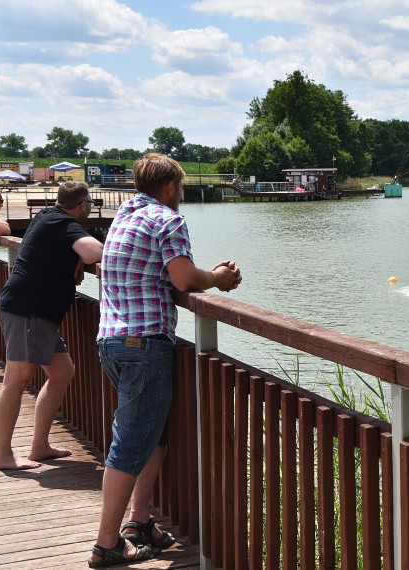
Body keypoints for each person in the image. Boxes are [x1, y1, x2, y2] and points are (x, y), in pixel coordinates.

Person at [89, 153, 242, 568]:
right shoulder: (167, 218)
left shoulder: (124, 215)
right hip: (144, 344)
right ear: (172, 187)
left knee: (150, 436)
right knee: (128, 445)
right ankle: (107, 543)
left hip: (111, 340)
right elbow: (184, 279)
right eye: (182, 188)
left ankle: (138, 522)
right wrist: (217, 278)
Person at [0, 181, 103, 470]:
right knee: (16, 378)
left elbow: (60, 251)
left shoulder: (45, 215)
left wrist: (72, 259)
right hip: (29, 310)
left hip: (34, 312)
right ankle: (0, 454)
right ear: (82, 206)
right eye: (90, 205)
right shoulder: (63, 222)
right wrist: (83, 254)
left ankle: (39, 446)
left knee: (62, 371)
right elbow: (94, 252)